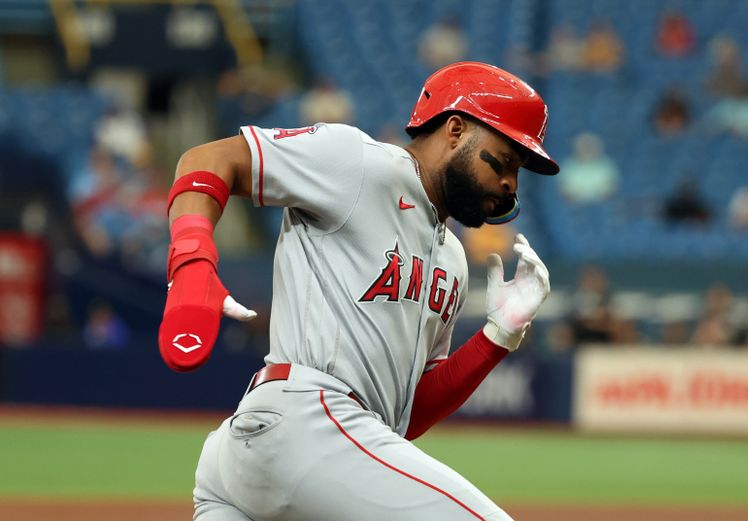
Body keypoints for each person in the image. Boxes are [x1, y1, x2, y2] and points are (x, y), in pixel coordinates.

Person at [158, 62, 557, 520]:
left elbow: (407, 417)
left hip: (280, 454)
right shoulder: (359, 163)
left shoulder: (453, 260)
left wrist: (495, 339)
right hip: (304, 421)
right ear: (455, 129)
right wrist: (191, 263)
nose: (510, 183)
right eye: (505, 160)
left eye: (518, 171)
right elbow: (208, 160)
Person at [557, 132, 619, 204]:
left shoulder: (607, 166)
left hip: (601, 205)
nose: (587, 149)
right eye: (583, 146)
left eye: (590, 145)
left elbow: (611, 189)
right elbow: (563, 190)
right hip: (575, 207)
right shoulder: (568, 166)